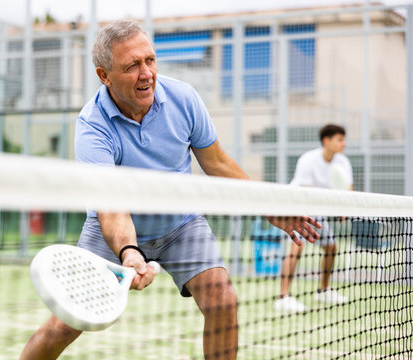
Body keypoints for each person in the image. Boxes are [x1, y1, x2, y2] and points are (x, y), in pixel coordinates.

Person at [20, 20, 321, 360]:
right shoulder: (92, 125)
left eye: (149, 60)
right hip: (114, 229)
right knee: (64, 326)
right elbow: (110, 203)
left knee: (223, 300)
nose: (146, 73)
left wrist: (270, 208)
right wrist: (129, 252)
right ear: (104, 76)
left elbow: (218, 164)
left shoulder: (184, 98)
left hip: (181, 223)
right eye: (131, 66)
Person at [274, 124, 353, 313]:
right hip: (298, 206)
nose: (344, 143)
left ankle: (323, 290)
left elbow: (348, 188)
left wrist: (345, 208)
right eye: (340, 139)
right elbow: (305, 191)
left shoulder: (343, 162)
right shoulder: (308, 160)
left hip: (317, 208)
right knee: (297, 247)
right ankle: (283, 297)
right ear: (327, 141)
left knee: (331, 248)